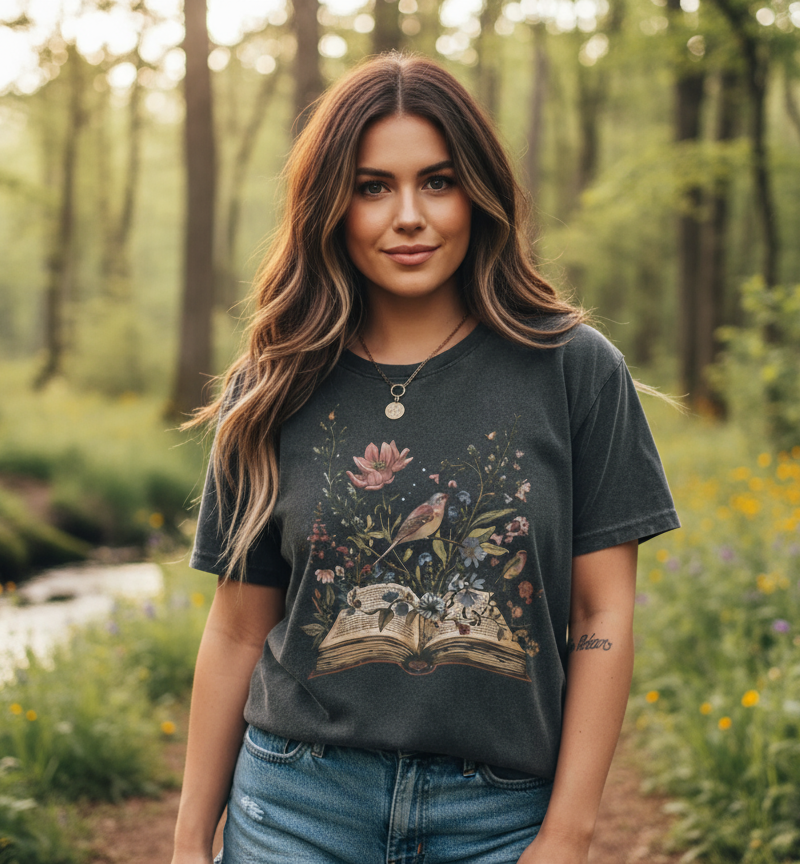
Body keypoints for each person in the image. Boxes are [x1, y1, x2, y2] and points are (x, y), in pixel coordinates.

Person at [171, 53, 679, 864]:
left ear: (477, 194)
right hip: (297, 808)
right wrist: (191, 838)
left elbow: (602, 616)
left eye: (437, 181)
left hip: (500, 819)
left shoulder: (575, 369)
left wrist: (569, 833)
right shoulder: (272, 384)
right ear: (330, 206)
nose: (408, 215)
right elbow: (237, 629)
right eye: (373, 186)